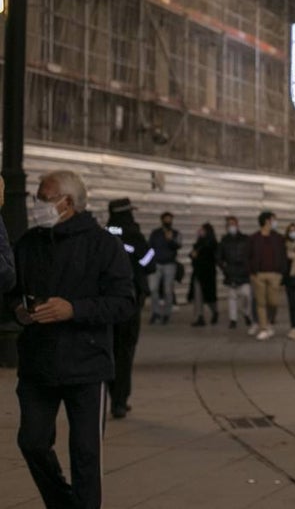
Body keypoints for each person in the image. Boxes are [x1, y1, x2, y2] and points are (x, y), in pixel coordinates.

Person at [8, 170, 135, 509]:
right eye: (36, 197)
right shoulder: (29, 243)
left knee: (86, 454)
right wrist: (19, 311)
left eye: (44, 198)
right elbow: (11, 292)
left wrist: (74, 310)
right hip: (38, 363)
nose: (37, 205)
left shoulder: (103, 244)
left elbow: (124, 302)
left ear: (67, 203)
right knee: (32, 442)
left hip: (86, 365)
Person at [106, 197, 152, 420]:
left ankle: (113, 394)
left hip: (108, 302)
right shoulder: (134, 235)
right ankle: (120, 401)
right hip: (130, 301)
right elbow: (149, 262)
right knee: (125, 351)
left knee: (111, 350)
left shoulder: (105, 234)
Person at [248, 211, 286, 341]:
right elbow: (248, 256)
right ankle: (263, 328)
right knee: (261, 303)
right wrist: (251, 273)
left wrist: (281, 273)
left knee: (273, 302)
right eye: (273, 220)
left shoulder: (278, 238)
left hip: (274, 274)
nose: (275, 222)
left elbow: (283, 255)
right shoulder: (254, 238)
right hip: (258, 274)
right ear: (266, 221)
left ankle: (269, 321)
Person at [218, 215, 253, 332]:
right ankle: (233, 319)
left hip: (244, 272)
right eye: (229, 224)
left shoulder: (245, 239)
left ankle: (246, 313)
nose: (231, 226)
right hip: (231, 272)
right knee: (232, 296)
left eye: (233, 224)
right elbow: (219, 257)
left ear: (237, 225)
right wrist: (224, 268)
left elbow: (251, 254)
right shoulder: (224, 241)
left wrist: (249, 267)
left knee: (247, 294)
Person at [147, 210, 181, 325]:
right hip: (156, 264)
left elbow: (178, 246)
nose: (168, 221)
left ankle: (167, 313)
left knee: (168, 290)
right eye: (166, 219)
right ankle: (155, 312)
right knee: (153, 289)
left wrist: (170, 240)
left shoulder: (176, 233)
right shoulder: (155, 233)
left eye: (170, 219)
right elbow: (150, 247)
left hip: (170, 264)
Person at [190, 222, 219, 327]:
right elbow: (192, 255)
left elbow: (214, 257)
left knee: (209, 297)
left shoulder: (212, 244)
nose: (200, 231)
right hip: (198, 272)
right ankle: (199, 317)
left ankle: (215, 311)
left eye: (202, 230)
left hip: (208, 273)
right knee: (198, 295)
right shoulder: (198, 243)